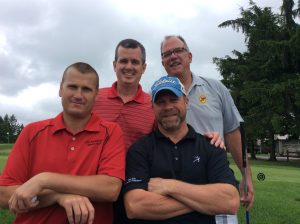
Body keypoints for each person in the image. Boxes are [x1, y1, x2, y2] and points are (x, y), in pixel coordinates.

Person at [93, 39, 224, 224]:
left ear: (144, 67)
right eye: (123, 61)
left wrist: (208, 138)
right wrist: (203, 202)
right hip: (99, 189)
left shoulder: (151, 104)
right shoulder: (95, 98)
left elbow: (171, 132)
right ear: (114, 65)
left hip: (137, 187)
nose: (128, 67)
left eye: (135, 62)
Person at [0, 62, 126, 224]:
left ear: (96, 95)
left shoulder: (111, 132)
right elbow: (4, 195)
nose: (78, 95)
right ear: (61, 89)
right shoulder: (32, 132)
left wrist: (44, 180)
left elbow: (110, 189)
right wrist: (58, 196)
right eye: (72, 87)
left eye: (86, 89)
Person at [160, 35, 254, 223]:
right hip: (177, 188)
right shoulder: (156, 98)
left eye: (178, 50)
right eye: (167, 54)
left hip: (217, 182)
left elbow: (232, 132)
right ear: (162, 62)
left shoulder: (216, 88)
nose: (173, 56)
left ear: (190, 56)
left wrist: (246, 175)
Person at [123, 76, 240, 223]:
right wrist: (204, 201)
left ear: (186, 102)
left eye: (174, 100)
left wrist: (170, 186)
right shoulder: (140, 150)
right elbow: (134, 206)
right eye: (160, 102)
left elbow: (230, 201)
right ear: (152, 107)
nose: (168, 107)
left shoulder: (211, 146)